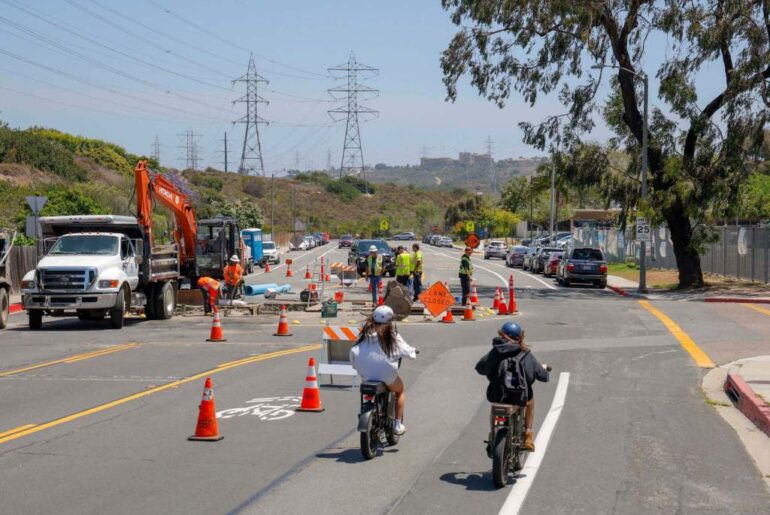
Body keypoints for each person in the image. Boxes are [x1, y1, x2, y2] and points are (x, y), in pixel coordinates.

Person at [474, 322, 549, 452]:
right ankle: (527, 436)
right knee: (530, 399)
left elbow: (481, 369)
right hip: (519, 397)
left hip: (498, 395)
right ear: (520, 337)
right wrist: (544, 369)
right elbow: (541, 376)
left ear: (502, 334)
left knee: (495, 408)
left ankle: (493, 434)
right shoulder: (525, 353)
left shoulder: (495, 351)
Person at [350, 306, 417, 435]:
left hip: (366, 376)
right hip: (386, 376)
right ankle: (397, 424)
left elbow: (353, 355)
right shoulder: (392, 337)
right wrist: (413, 351)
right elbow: (408, 352)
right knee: (400, 390)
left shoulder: (364, 336)